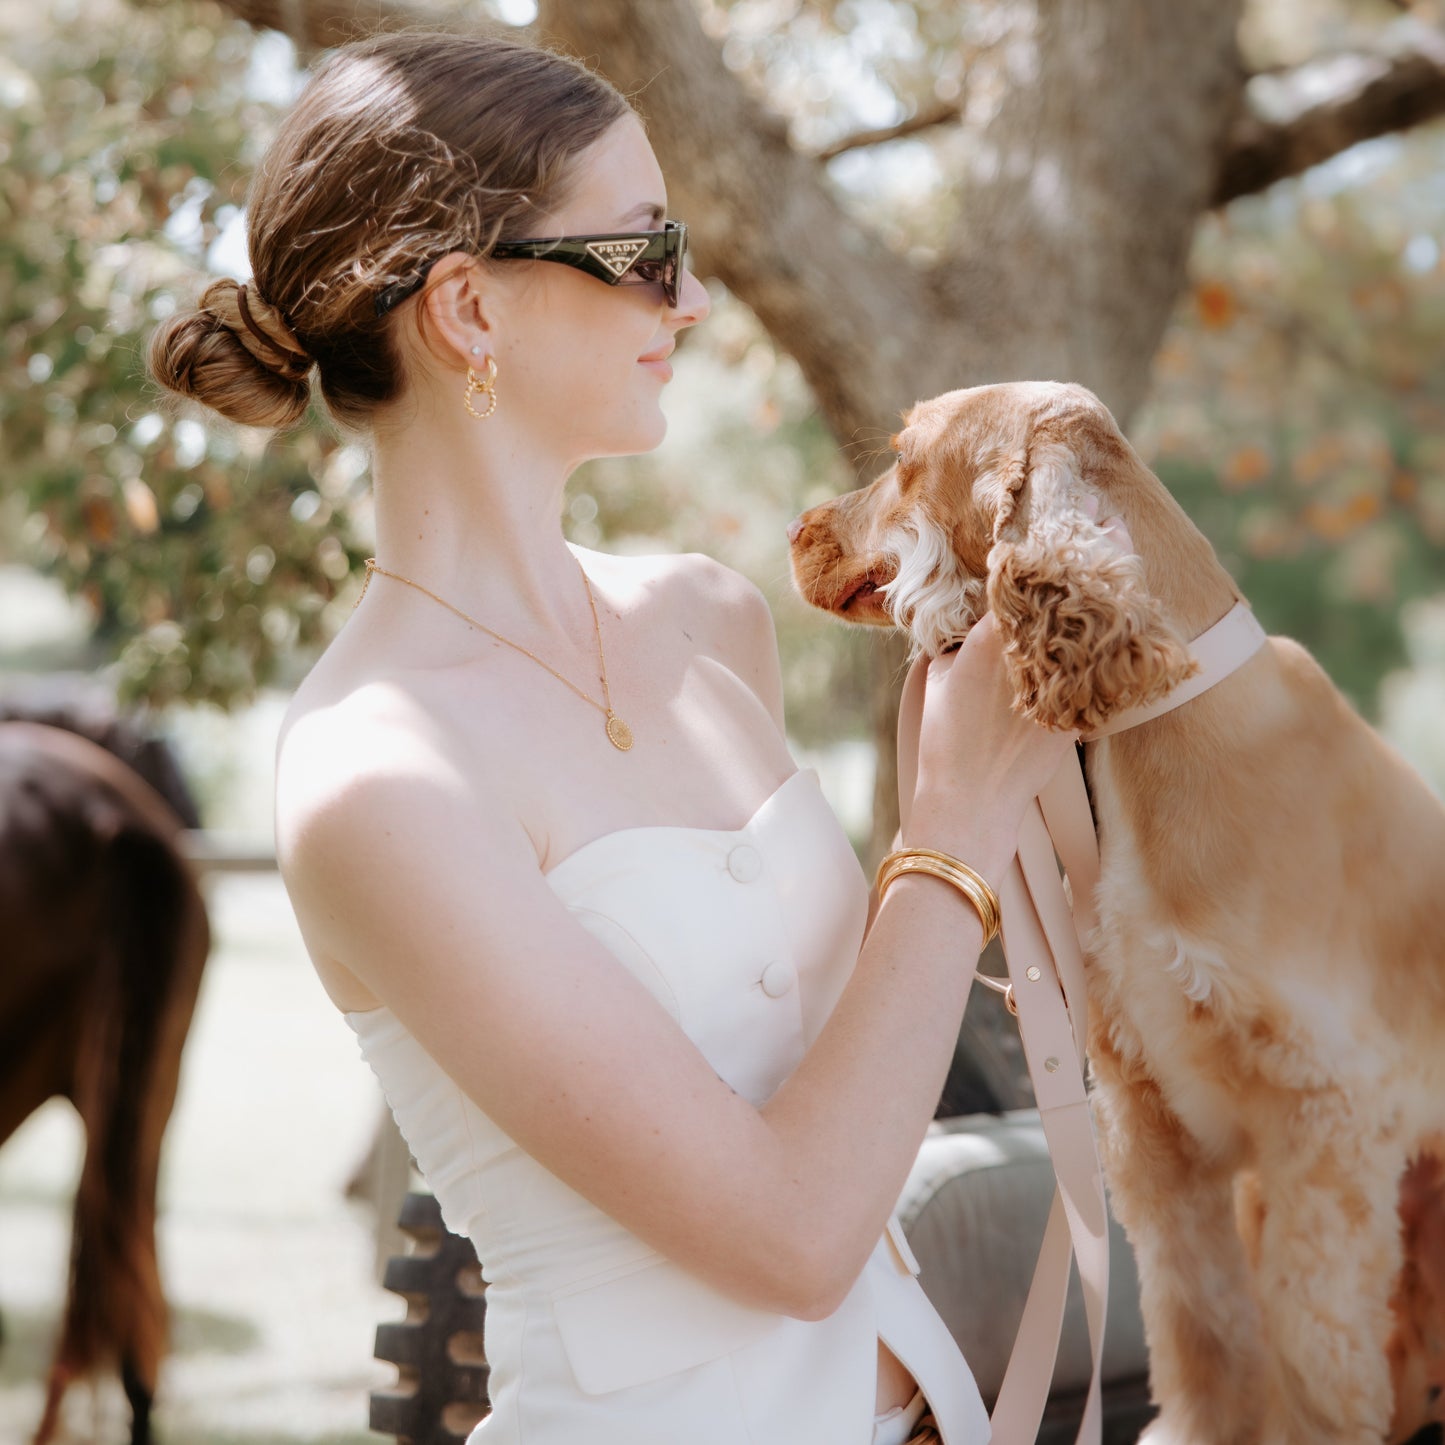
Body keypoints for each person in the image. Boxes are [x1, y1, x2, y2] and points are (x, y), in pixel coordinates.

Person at [148, 29, 1075, 1445]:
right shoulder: (373, 776)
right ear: (467, 308)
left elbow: (860, 1067)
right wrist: (944, 836)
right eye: (644, 249)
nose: (691, 297)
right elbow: (789, 1237)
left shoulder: (715, 622)